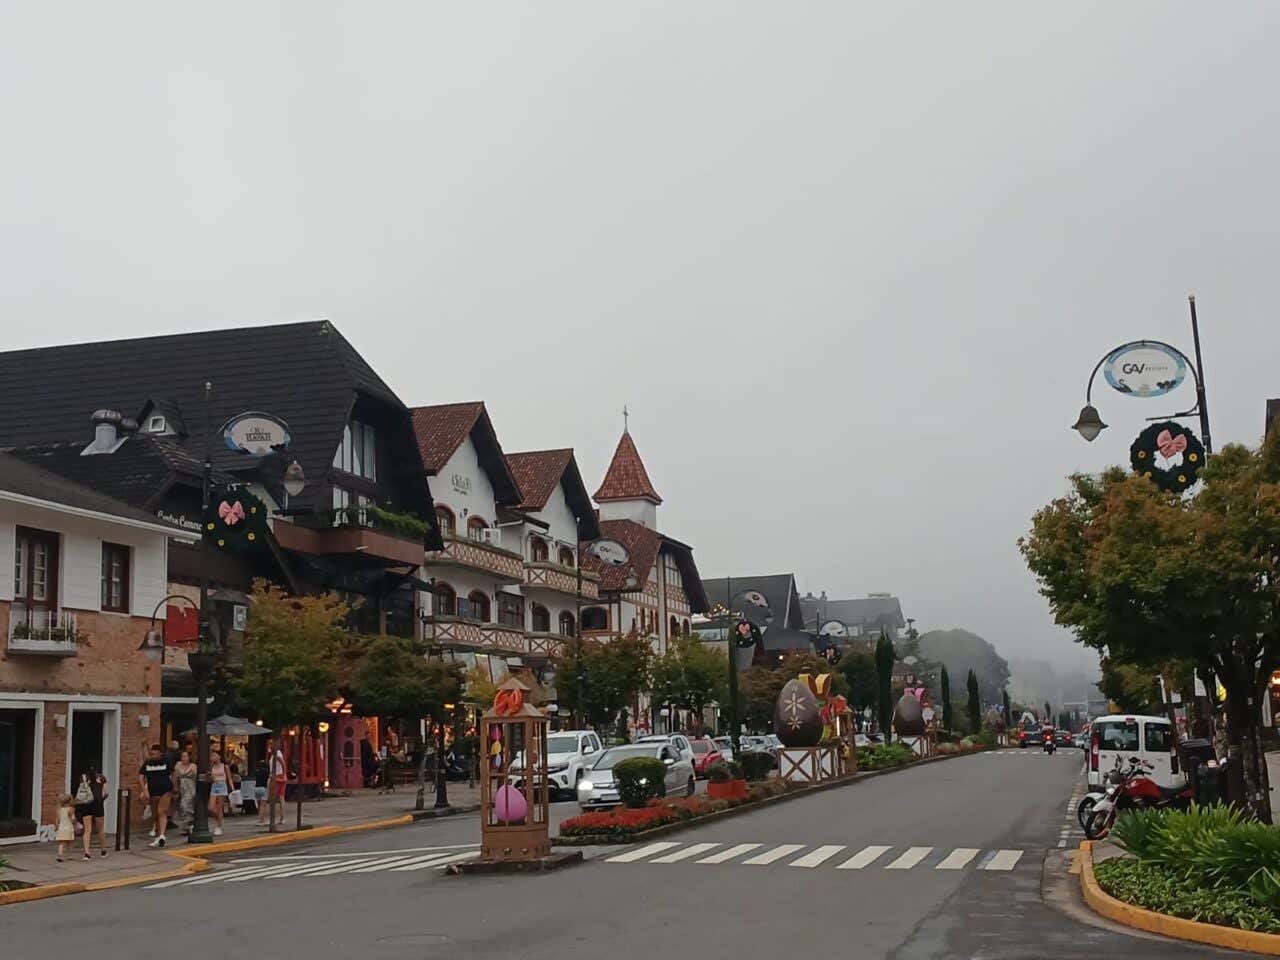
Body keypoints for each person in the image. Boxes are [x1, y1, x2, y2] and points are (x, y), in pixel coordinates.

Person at [139, 743, 174, 848]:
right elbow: (141, 777)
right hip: (153, 792)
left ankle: (162, 835)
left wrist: (175, 787)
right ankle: (158, 837)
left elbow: (174, 774)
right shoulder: (147, 763)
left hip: (165, 790)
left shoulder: (166, 762)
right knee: (155, 815)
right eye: (152, 754)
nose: (153, 756)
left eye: (155, 754)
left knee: (161, 812)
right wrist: (144, 790)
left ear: (160, 754)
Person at [74, 766, 108, 859]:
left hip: (87, 804)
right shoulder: (102, 777)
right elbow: (106, 793)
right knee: (100, 829)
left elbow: (81, 791)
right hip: (98, 804)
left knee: (87, 829)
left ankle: (87, 853)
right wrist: (101, 800)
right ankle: (103, 851)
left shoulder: (83, 777)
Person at [172, 749, 197, 836]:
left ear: (189, 757)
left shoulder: (193, 766)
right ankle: (186, 826)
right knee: (181, 807)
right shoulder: (178, 766)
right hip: (182, 787)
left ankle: (190, 824)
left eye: (185, 756)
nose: (183, 758)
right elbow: (175, 777)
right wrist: (175, 787)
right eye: (182, 756)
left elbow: (197, 777)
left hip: (191, 787)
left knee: (186, 805)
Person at [207, 750, 233, 835]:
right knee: (211, 807)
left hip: (222, 786)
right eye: (211, 756)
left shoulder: (225, 766)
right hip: (214, 786)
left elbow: (229, 778)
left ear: (219, 756)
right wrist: (210, 777)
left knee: (219, 807)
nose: (212, 757)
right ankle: (219, 819)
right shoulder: (211, 766)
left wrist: (232, 788)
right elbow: (209, 778)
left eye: (214, 755)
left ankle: (219, 826)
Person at [54, 794, 76, 862]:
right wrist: (75, 822)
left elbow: (57, 820)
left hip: (61, 828)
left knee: (61, 843)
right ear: (70, 802)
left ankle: (60, 855)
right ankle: (70, 855)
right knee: (69, 843)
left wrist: (56, 826)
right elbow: (73, 820)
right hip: (69, 828)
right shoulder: (71, 810)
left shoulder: (59, 810)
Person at [252, 750, 270, 826]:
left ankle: (262, 819)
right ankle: (260, 820)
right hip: (263, 788)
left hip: (256, 788)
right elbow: (268, 781)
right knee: (263, 806)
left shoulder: (256, 771)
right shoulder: (267, 772)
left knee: (259, 805)